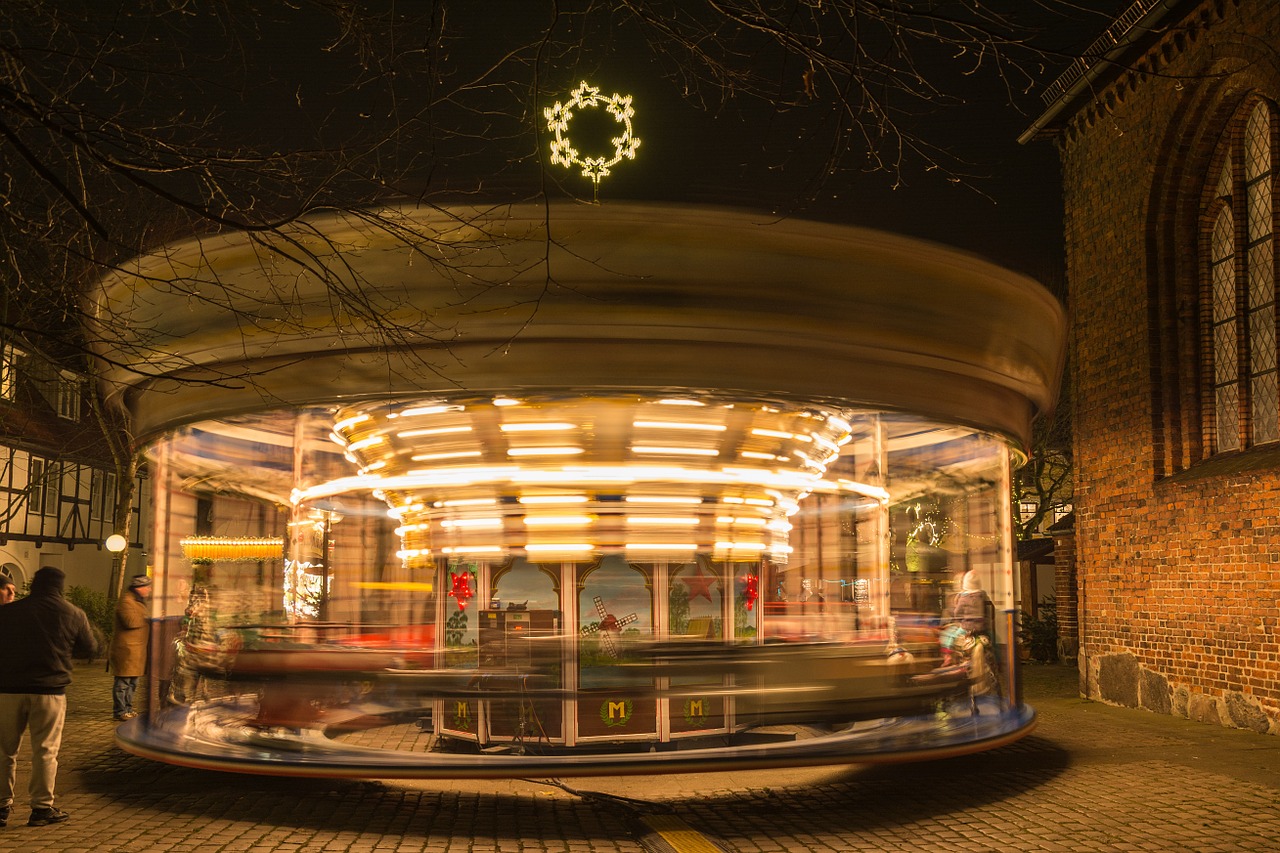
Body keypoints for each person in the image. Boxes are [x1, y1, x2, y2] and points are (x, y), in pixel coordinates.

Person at [0, 566, 97, 828]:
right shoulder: (73, 613)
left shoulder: (8, 612)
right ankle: (41, 808)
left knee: (4, 751)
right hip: (50, 691)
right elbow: (90, 648)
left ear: (34, 584)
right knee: (45, 751)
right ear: (60, 586)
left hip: (8, 690)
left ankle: (1, 807)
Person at [109, 574, 152, 721]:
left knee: (133, 683)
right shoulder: (127, 601)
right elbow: (130, 622)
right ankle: (120, 711)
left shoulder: (138, 602)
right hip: (126, 650)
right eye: (147, 587)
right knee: (123, 683)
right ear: (138, 588)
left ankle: (128, 708)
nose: (149, 590)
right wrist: (148, 617)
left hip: (136, 650)